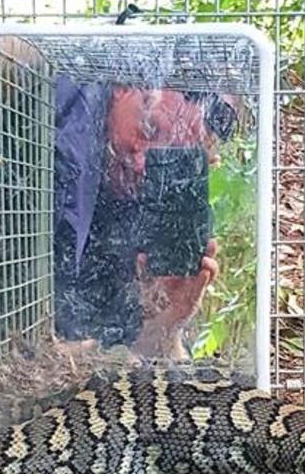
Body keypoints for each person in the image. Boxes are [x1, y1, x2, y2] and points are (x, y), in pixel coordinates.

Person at [53, 78, 235, 360]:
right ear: (124, 88)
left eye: (166, 161)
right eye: (149, 129)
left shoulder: (148, 222)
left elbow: (145, 363)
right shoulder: (65, 100)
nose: (141, 164)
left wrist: (166, 326)